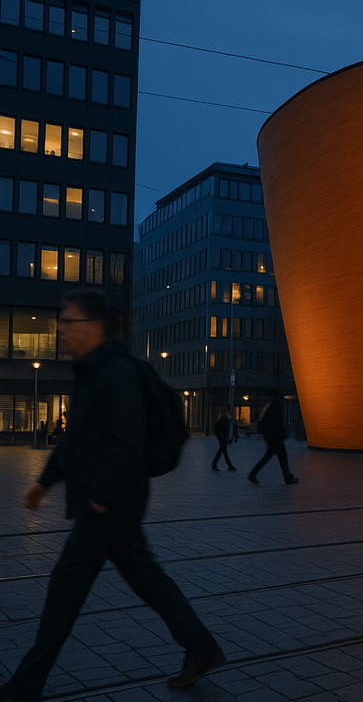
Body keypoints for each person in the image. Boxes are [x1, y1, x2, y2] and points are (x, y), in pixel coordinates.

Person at [0, 291, 224, 702]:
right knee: (148, 580)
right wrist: (44, 481)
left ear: (95, 326)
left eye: (68, 321)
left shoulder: (116, 372)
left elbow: (126, 441)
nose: (60, 329)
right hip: (112, 503)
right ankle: (203, 648)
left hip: (109, 504)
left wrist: (101, 498)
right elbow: (77, 437)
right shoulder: (92, 371)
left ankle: (24, 686)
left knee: (64, 592)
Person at [248, 392, 298, 485]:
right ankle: (288, 477)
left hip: (272, 438)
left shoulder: (270, 409)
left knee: (270, 457)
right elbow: (276, 425)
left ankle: (253, 474)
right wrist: (281, 433)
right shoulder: (276, 410)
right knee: (281, 457)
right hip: (276, 438)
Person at [210, 407, 236, 471]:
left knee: (223, 451)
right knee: (222, 451)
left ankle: (215, 463)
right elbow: (220, 430)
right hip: (223, 438)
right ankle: (228, 465)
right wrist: (221, 437)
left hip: (223, 438)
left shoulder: (226, 421)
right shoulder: (223, 421)